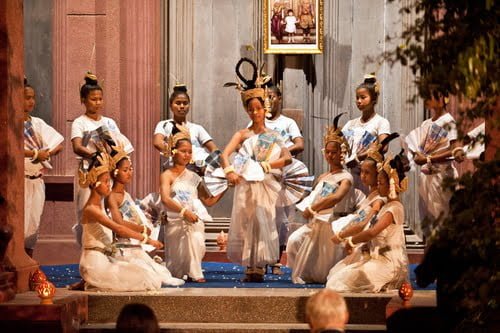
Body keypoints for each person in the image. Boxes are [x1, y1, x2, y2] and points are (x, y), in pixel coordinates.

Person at [221, 58, 292, 282]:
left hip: (266, 183)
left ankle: (260, 265)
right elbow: (224, 155)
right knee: (248, 223)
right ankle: (249, 265)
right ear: (247, 110)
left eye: (258, 109)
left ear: (265, 108)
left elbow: (287, 157)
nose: (255, 113)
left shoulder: (273, 135)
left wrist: (267, 165)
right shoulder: (242, 135)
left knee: (264, 221)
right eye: (251, 110)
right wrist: (230, 171)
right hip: (247, 184)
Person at [78, 152, 175, 291]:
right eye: (105, 182)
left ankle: (91, 282)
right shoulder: (92, 209)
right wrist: (148, 239)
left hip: (104, 260)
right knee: (144, 280)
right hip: (94, 264)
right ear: (95, 184)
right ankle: (91, 281)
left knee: (146, 275)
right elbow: (119, 228)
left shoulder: (98, 206)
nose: (108, 185)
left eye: (108, 181)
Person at [286, 114, 358, 284]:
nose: (330, 155)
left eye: (335, 152)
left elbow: (337, 197)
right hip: (315, 222)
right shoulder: (323, 176)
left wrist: (313, 208)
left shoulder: (345, 176)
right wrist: (307, 207)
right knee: (293, 241)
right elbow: (313, 196)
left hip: (332, 223)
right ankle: (304, 271)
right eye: (328, 152)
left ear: (342, 153)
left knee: (324, 271)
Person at [326, 150, 410, 292]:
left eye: (381, 183)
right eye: (378, 182)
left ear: (391, 185)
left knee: (339, 284)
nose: (378, 186)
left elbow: (372, 232)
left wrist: (351, 240)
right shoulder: (387, 205)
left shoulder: (394, 208)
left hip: (388, 263)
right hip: (375, 257)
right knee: (335, 276)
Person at [105, 145, 184, 287]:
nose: (129, 173)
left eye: (131, 169)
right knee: (147, 274)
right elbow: (117, 222)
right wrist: (140, 228)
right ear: (115, 172)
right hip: (123, 245)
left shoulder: (125, 195)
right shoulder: (112, 197)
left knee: (158, 272)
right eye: (125, 170)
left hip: (134, 244)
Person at [71, 72, 132, 246]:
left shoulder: (109, 122)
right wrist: (94, 155)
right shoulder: (79, 122)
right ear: (83, 100)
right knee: (88, 210)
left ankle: (109, 249)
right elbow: (77, 146)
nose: (97, 103)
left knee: (108, 209)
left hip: (108, 172)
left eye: (100, 99)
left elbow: (119, 146)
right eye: (93, 99)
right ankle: (88, 250)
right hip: (89, 172)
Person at [160, 125, 225, 282]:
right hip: (176, 220)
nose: (187, 155)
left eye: (190, 152)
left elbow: (208, 201)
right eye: (183, 151)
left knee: (196, 241)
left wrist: (224, 187)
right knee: (175, 266)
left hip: (194, 220)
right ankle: (180, 271)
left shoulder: (194, 176)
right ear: (174, 152)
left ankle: (195, 272)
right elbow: (165, 198)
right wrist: (184, 212)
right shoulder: (167, 175)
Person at [259, 84, 305, 275]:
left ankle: (276, 259)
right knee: (263, 217)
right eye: (266, 97)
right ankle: (261, 259)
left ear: (279, 98)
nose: (269, 100)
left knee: (282, 219)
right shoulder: (258, 122)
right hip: (264, 175)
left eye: (272, 96)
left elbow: (299, 144)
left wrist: (280, 153)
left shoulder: (288, 123)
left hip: (284, 175)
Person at [23, 78, 64, 257]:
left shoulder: (37, 123)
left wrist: (47, 152)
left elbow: (59, 143)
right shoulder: (9, 123)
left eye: (32, 97)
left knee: (33, 224)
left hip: (37, 181)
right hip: (20, 181)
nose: (31, 101)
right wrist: (34, 155)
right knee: (19, 223)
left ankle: (28, 262)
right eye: (26, 97)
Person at [410, 89, 458, 237]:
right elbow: (420, 149)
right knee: (427, 221)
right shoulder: (426, 123)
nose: (428, 98)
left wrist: (428, 159)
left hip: (442, 177)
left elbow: (454, 150)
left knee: (441, 220)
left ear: (444, 97)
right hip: (426, 176)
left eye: (433, 94)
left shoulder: (448, 121)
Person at [342, 74, 391, 193]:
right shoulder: (350, 124)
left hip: (372, 173)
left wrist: (359, 157)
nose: (359, 101)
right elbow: (343, 144)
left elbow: (383, 147)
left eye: (363, 97)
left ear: (373, 99)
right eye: (357, 97)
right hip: (352, 171)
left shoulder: (381, 122)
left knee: (370, 204)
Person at [153, 84, 218, 172]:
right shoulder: (164, 125)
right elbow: (157, 142)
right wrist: (177, 152)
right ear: (171, 105)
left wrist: (208, 167)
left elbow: (215, 150)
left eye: (185, 103)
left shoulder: (197, 128)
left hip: (196, 174)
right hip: (173, 174)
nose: (182, 106)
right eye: (178, 103)